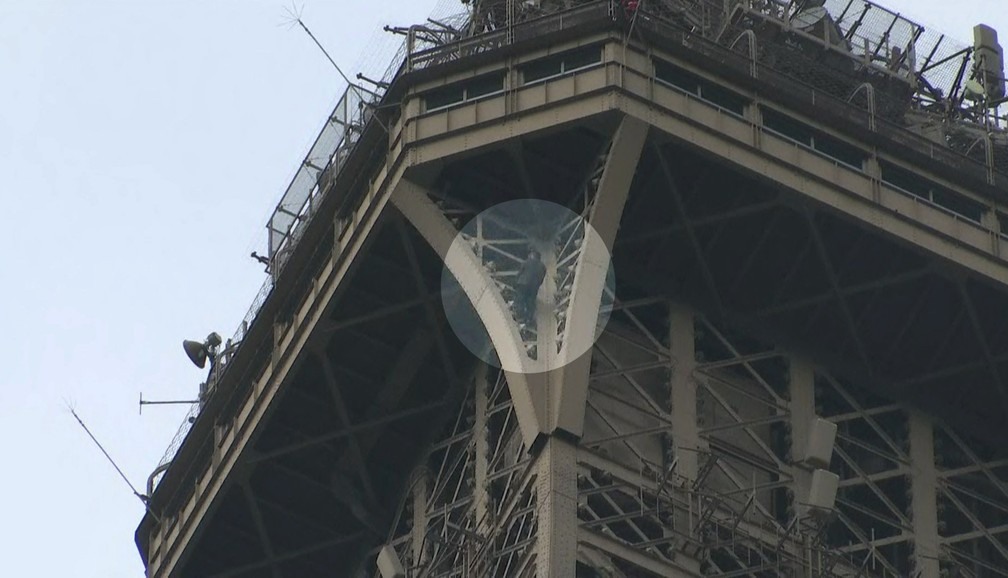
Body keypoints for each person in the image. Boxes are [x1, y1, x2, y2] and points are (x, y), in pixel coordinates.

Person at [514, 248, 546, 322]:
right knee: (531, 302)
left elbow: (520, 273)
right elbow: (542, 278)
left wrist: (515, 282)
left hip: (523, 284)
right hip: (534, 286)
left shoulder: (527, 262)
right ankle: (529, 318)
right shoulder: (543, 266)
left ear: (532, 255)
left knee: (520, 300)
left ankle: (520, 316)